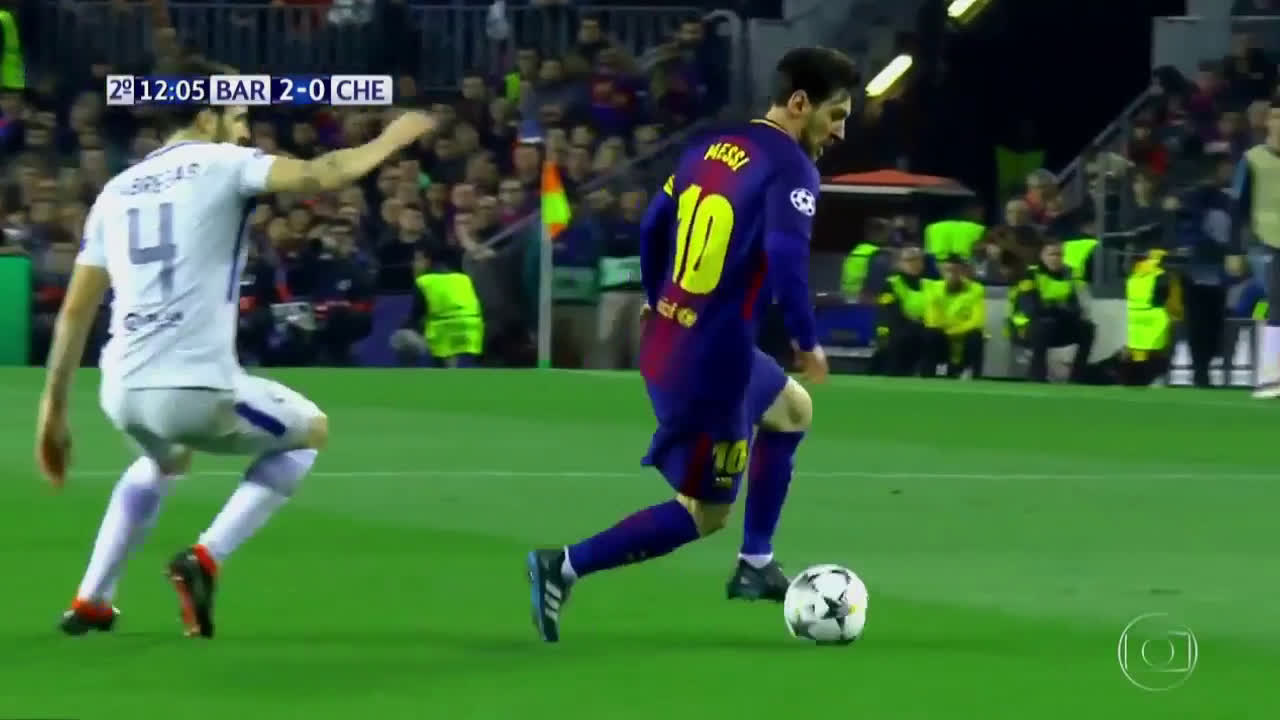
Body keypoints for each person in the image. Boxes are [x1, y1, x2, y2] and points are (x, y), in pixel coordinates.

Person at [35, 67, 436, 638]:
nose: (246, 131)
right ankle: (205, 558)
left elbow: (75, 312)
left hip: (121, 390)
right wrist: (394, 136)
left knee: (163, 461)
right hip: (193, 387)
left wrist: (52, 413)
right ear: (207, 117)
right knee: (310, 432)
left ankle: (92, 598)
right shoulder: (223, 162)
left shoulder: (116, 191)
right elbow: (324, 173)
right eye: (240, 116)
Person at [526, 47, 857, 642]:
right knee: (703, 513)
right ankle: (564, 565)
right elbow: (786, 259)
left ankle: (756, 564)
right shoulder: (792, 168)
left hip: (676, 337)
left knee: (792, 410)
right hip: (711, 366)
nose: (839, 132)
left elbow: (654, 223)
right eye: (835, 115)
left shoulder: (712, 147)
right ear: (799, 103)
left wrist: (659, 296)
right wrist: (807, 340)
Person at [1009, 240, 1096, 382]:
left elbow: (1076, 309)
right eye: (1051, 254)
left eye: (1059, 255)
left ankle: (1077, 377)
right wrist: (1058, 308)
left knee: (1087, 328)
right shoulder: (1030, 275)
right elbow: (1030, 308)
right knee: (1044, 325)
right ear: (1042, 256)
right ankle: (1037, 375)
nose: (1056, 258)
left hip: (1056, 323)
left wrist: (1054, 308)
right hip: (1024, 328)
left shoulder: (1069, 276)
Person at [924, 254, 985, 378]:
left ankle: (971, 374)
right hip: (942, 334)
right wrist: (952, 330)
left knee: (976, 335)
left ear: (963, 272)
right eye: (948, 270)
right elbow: (933, 319)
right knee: (932, 333)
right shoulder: (932, 288)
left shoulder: (976, 289)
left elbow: (977, 321)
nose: (952, 274)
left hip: (963, 333)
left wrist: (953, 331)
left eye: (956, 270)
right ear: (942, 272)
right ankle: (932, 373)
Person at [875, 246, 933, 376]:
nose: (914, 264)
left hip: (926, 327)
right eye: (909, 260)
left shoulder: (930, 284)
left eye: (918, 260)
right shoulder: (891, 284)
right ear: (900, 263)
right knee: (902, 337)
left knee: (933, 336)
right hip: (900, 328)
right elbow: (888, 311)